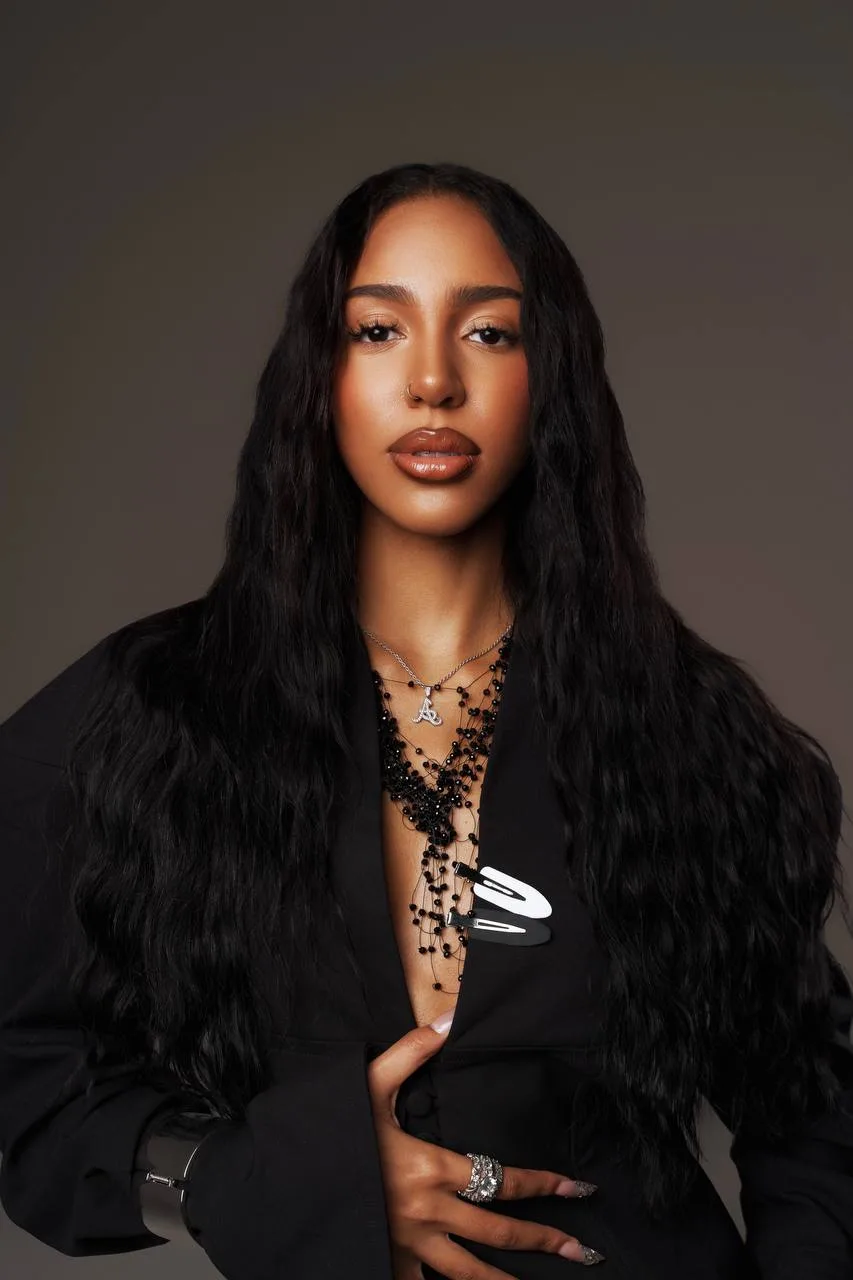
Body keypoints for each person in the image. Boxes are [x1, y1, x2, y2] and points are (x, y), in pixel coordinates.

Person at [1, 161, 851, 1280]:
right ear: (319, 374)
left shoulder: (688, 729)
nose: (435, 382)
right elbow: (27, 1079)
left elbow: (817, 1114)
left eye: (489, 334)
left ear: (551, 377)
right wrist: (248, 1176)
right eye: (377, 331)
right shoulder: (149, 713)